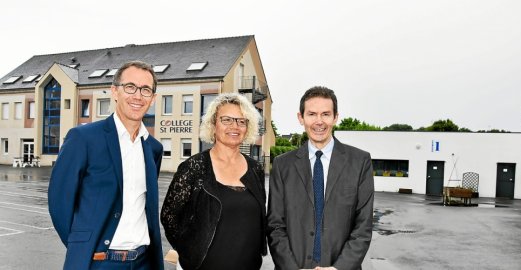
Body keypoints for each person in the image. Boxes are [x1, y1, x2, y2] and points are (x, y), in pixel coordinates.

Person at [48, 61, 164, 270]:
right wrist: (84, 247)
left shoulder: (153, 148)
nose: (138, 96)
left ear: (153, 98)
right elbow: (59, 203)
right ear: (114, 91)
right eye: (130, 87)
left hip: (144, 263)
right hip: (99, 262)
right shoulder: (83, 138)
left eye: (146, 90)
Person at [267, 86, 374, 270]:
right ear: (301, 118)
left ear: (335, 117)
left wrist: (338, 268)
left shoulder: (360, 161)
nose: (319, 121)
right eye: (311, 114)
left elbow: (363, 225)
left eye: (325, 114)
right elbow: (275, 225)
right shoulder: (282, 165)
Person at [161, 93, 267, 270]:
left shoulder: (256, 169)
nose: (235, 126)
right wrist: (189, 250)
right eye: (226, 120)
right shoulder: (193, 167)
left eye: (242, 121)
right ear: (213, 124)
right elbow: (169, 217)